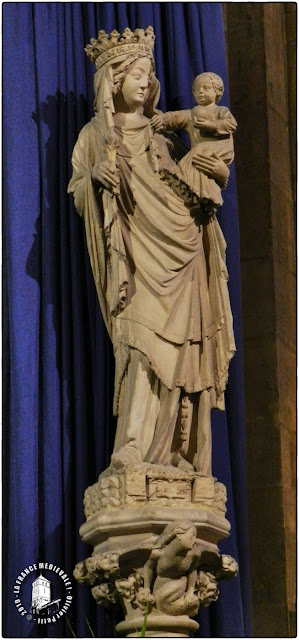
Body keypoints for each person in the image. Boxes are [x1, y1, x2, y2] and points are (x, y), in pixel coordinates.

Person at [68, 28, 235, 476]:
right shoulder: (94, 138)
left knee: (183, 355)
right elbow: (79, 190)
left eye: (149, 74)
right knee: (140, 348)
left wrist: (215, 170)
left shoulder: (165, 137)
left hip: (183, 256)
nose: (145, 82)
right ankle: (135, 447)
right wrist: (95, 178)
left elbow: (196, 190)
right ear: (114, 79)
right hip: (137, 260)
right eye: (136, 74)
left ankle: (177, 457)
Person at [151, 72, 237, 215]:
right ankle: (199, 195)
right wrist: (164, 119)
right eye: (197, 89)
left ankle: (181, 176)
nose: (201, 92)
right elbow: (176, 117)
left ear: (217, 92)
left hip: (220, 149)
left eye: (206, 88)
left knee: (198, 154)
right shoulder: (192, 114)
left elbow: (231, 125)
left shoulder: (221, 111)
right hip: (201, 152)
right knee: (199, 168)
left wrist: (213, 126)